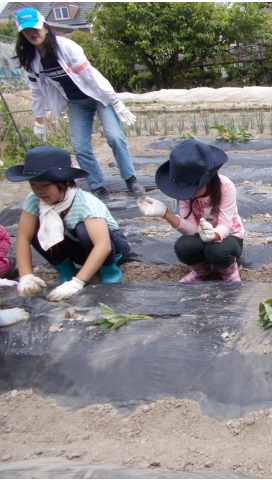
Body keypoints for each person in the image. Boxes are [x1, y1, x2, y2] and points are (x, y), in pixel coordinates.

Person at [14, 7, 143, 198]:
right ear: (22, 34)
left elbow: (91, 75)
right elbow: (37, 92)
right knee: (80, 147)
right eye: (26, 30)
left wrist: (115, 101)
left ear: (46, 27)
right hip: (76, 102)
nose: (33, 33)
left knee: (115, 137)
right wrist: (39, 121)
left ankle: (131, 178)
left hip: (98, 97)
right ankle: (98, 185)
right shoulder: (32, 60)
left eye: (36, 28)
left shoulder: (66, 47)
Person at [6, 146, 131, 302]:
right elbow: (23, 237)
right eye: (33, 184)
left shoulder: (85, 203)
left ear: (65, 182)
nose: (39, 191)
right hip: (78, 248)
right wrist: (26, 276)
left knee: (83, 229)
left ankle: (109, 271)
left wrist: (77, 283)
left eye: (45, 185)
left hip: (111, 247)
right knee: (38, 229)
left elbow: (103, 245)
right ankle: (66, 272)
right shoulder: (35, 200)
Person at [136, 139, 243, 282]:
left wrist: (213, 235)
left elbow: (226, 225)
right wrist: (165, 214)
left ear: (206, 180)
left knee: (216, 251)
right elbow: (191, 229)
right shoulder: (186, 193)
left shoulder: (225, 187)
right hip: (200, 235)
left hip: (228, 236)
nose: (186, 193)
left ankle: (229, 272)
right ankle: (201, 271)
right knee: (183, 246)